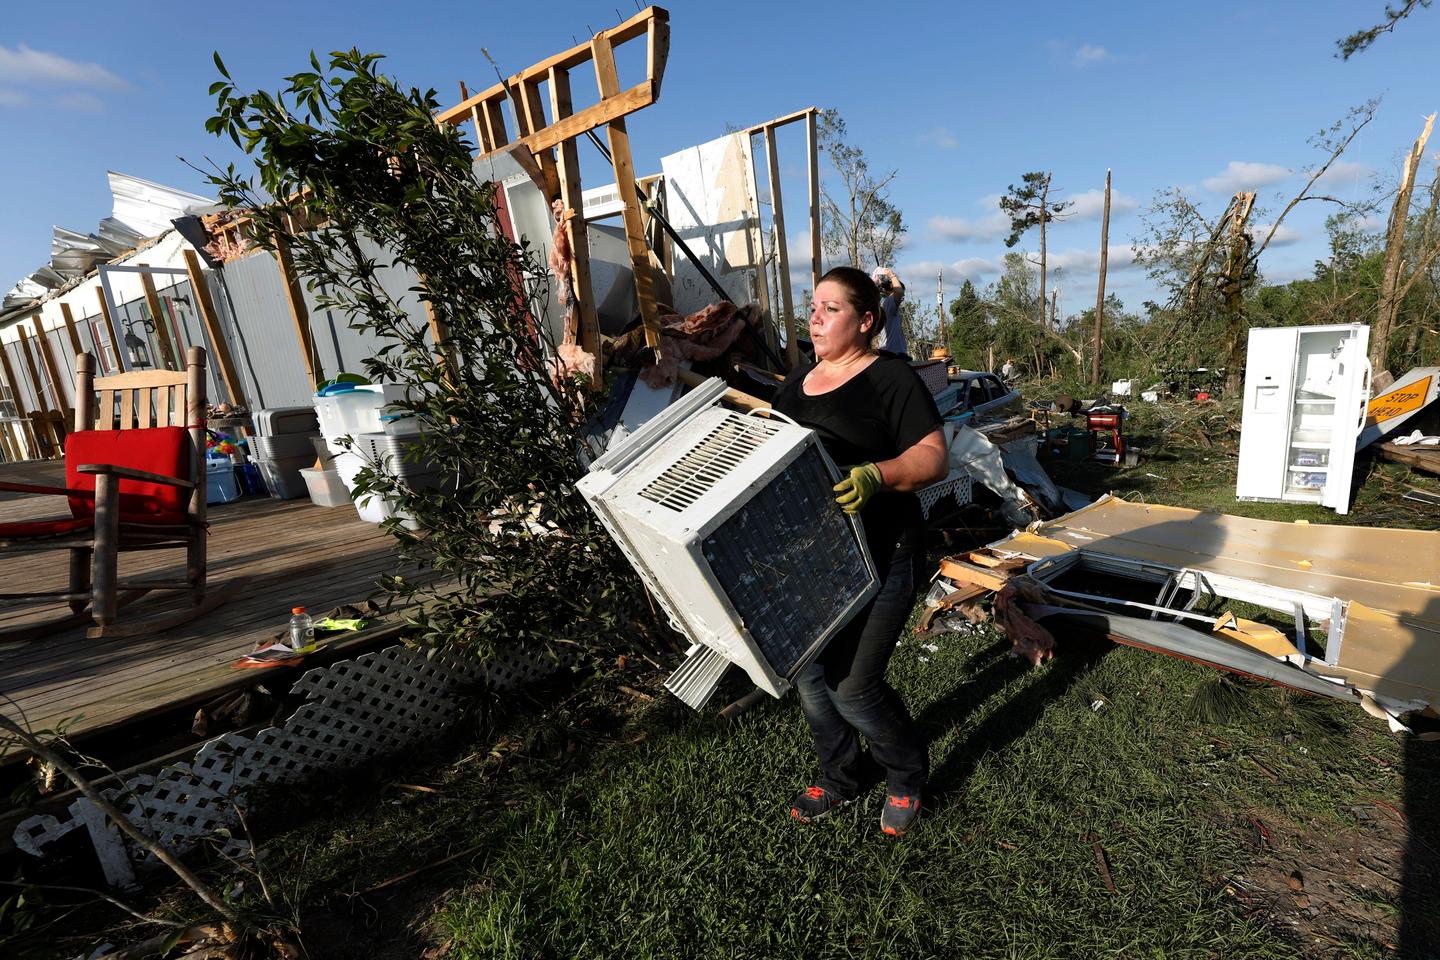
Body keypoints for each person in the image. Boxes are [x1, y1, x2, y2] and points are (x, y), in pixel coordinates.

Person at [772, 266, 947, 837]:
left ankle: (905, 775)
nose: (814, 319)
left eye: (831, 309)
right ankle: (844, 775)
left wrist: (878, 473)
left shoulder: (890, 379)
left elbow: (932, 457)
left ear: (867, 320)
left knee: (855, 686)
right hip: (816, 557)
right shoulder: (794, 386)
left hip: (886, 552)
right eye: (814, 306)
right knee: (811, 676)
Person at [870, 266, 908, 359]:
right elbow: (899, 291)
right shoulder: (888, 303)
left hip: (888, 351)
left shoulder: (883, 304)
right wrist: (891, 275)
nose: (901, 299)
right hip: (892, 353)